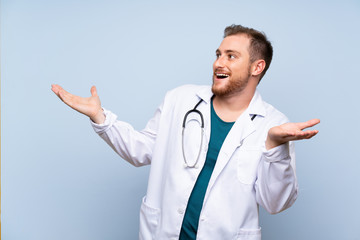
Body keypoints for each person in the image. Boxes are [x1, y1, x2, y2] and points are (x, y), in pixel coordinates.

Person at [52, 24, 320, 240]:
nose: (218, 63)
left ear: (256, 67)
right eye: (218, 54)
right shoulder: (179, 99)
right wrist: (100, 117)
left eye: (231, 56)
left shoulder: (273, 124)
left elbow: (276, 203)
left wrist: (274, 147)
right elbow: (140, 150)